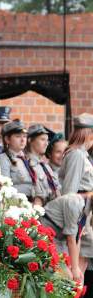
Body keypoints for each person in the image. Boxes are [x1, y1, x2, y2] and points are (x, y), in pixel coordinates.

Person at [59, 113, 93, 281]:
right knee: (75, 273)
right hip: (77, 213)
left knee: (82, 266)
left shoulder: (81, 155)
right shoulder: (77, 155)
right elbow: (69, 193)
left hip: (83, 212)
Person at [40, 193, 92, 282]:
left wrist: (76, 268)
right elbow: (71, 239)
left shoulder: (87, 208)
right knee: (66, 276)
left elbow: (77, 238)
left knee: (75, 276)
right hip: (46, 233)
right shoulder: (75, 203)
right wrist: (74, 268)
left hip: (60, 239)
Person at [0, 120, 35, 198]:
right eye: (18, 136)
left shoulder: (28, 158)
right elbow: (5, 188)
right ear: (7, 139)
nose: (22, 140)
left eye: (25, 136)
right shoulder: (4, 159)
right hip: (17, 203)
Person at [26, 124, 60, 205]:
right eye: (42, 139)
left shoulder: (45, 166)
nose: (46, 143)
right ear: (30, 140)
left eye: (47, 140)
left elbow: (57, 189)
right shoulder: (26, 164)